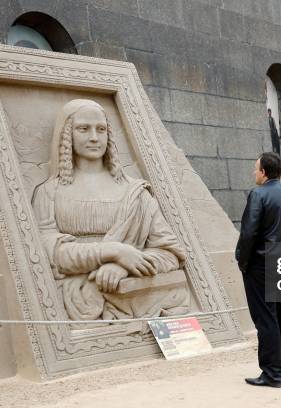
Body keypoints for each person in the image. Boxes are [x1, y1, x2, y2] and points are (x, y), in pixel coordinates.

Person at [32, 99, 189, 321]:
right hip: (78, 300)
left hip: (134, 293)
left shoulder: (135, 192)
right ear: (67, 135)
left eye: (101, 129)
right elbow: (51, 254)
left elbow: (170, 253)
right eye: (84, 129)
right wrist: (112, 252)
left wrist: (126, 266)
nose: (94, 137)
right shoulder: (49, 193)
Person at [236, 152, 281, 388]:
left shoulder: (258, 194)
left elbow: (248, 233)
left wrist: (241, 261)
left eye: (256, 169)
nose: (254, 173)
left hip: (262, 265)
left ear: (264, 172)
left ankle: (272, 373)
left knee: (266, 319)